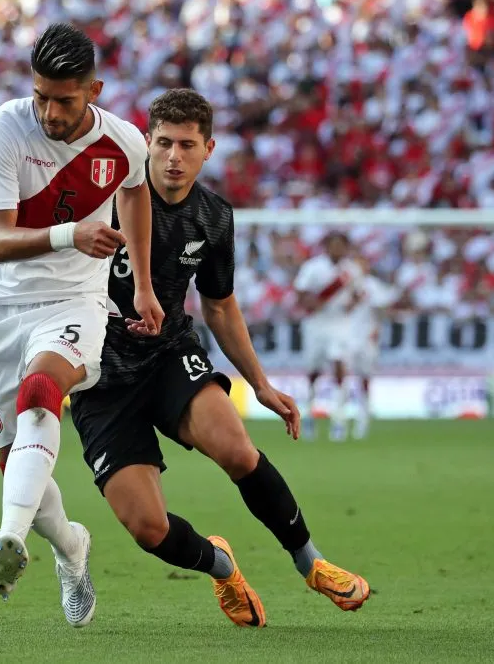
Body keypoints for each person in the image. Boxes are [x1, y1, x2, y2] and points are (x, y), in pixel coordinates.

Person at [67, 89, 369, 627]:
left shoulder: (213, 217)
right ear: (146, 143)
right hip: (98, 375)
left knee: (237, 449)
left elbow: (221, 306)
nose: (173, 156)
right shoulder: (103, 198)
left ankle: (313, 563)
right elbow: (42, 274)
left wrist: (261, 384)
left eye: (186, 144)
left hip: (168, 355)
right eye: (162, 143)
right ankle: (222, 566)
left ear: (208, 148)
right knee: (147, 528)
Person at [0, 22, 162, 627]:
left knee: (41, 395)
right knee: (13, 455)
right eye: (41, 95)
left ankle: (8, 540)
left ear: (93, 89)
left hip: (73, 299)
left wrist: (144, 286)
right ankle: (71, 549)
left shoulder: (125, 142)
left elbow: (136, 192)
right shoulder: (2, 128)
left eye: (64, 100)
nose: (48, 111)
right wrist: (72, 233)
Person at [293, 231, 364, 441]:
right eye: (334, 245)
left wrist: (351, 304)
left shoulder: (351, 270)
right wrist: (311, 303)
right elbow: (300, 291)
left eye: (341, 245)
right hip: (316, 323)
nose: (337, 250)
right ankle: (308, 413)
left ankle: (338, 418)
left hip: (340, 323)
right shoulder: (313, 267)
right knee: (313, 371)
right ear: (327, 247)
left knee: (339, 364)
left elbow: (359, 293)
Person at [348, 254, 403, 439]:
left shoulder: (372, 285)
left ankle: (363, 417)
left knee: (364, 379)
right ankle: (339, 419)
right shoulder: (344, 285)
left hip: (364, 338)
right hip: (345, 338)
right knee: (341, 377)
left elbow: (383, 306)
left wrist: (377, 326)